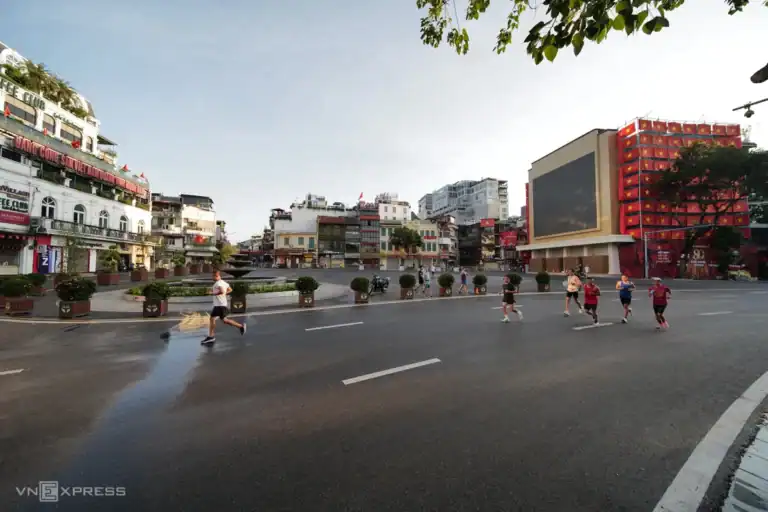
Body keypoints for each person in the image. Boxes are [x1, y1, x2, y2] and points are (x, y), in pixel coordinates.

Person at [201, 270, 246, 345]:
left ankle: (211, 336)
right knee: (224, 320)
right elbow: (230, 290)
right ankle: (241, 327)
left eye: (213, 276)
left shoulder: (218, 283)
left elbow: (221, 291)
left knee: (212, 318)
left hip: (219, 305)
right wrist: (224, 293)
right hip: (221, 304)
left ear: (217, 276)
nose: (212, 277)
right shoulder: (223, 282)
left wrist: (212, 293)